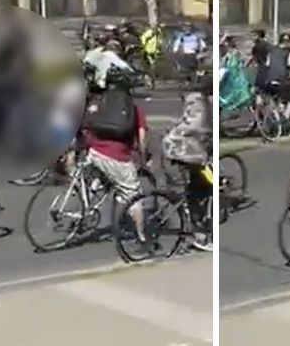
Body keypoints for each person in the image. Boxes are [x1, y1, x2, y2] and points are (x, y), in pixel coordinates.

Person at [82, 73, 149, 246]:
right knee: (134, 194)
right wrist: (143, 159)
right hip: (116, 156)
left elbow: (88, 122)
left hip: (94, 152)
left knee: (102, 181)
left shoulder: (101, 104)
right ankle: (142, 237)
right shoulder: (134, 110)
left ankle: (89, 209)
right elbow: (142, 139)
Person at [161, 91, 212, 251]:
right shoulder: (200, 105)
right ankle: (200, 236)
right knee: (206, 185)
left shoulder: (192, 103)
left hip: (177, 152)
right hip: (189, 154)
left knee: (195, 187)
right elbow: (199, 128)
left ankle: (193, 222)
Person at [255, 33, 290, 122]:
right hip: (281, 81)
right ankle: (284, 121)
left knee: (273, 97)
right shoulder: (289, 52)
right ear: (289, 43)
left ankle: (274, 115)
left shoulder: (272, 52)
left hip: (269, 81)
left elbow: (267, 65)